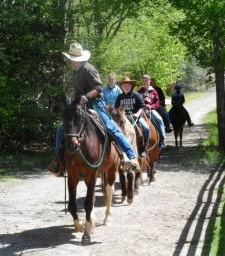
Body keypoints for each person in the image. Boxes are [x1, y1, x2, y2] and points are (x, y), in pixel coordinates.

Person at [48, 42, 140, 175]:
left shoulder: (89, 69)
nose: (69, 61)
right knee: (61, 129)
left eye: (70, 58)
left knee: (110, 127)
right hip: (81, 106)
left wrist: (86, 96)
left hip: (96, 105)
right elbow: (79, 91)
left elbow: (98, 88)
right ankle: (58, 160)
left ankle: (131, 156)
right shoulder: (77, 71)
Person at [114, 76, 150, 157]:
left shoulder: (136, 95)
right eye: (124, 86)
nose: (126, 87)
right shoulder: (120, 97)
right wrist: (119, 111)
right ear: (122, 87)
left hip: (135, 116)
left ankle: (145, 147)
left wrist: (137, 114)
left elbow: (142, 106)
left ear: (131, 86)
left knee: (146, 128)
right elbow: (116, 108)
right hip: (123, 117)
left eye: (128, 85)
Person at [138, 75, 166, 148]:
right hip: (141, 110)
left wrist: (151, 106)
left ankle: (162, 139)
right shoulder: (140, 91)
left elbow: (157, 103)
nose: (145, 82)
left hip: (151, 110)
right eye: (144, 80)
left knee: (159, 120)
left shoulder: (154, 91)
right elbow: (137, 101)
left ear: (150, 80)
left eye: (146, 80)